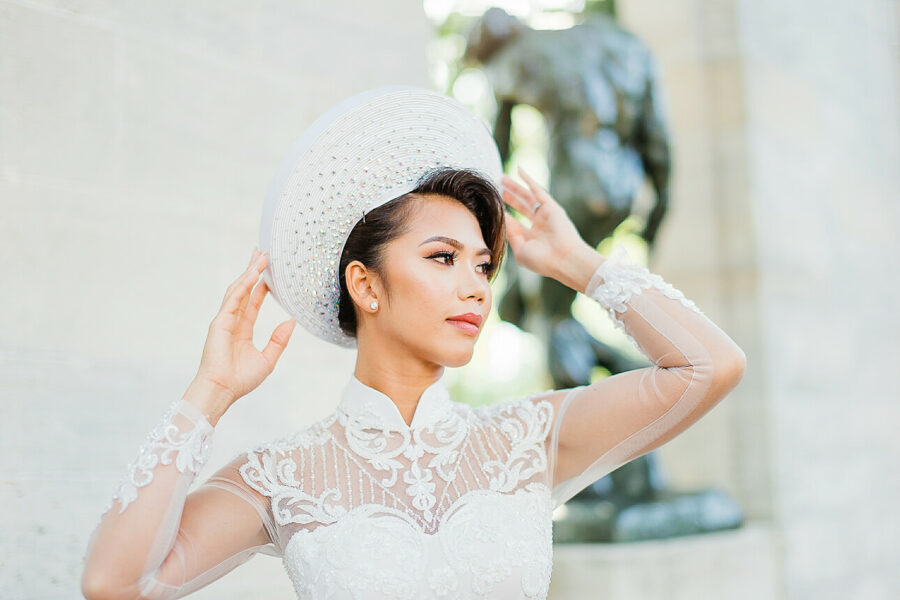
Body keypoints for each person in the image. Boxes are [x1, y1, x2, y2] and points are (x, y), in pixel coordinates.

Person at [80, 86, 746, 600]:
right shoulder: (283, 477)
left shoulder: (529, 439)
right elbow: (117, 583)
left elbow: (709, 365)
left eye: (483, 265)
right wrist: (211, 392)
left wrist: (580, 264)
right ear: (366, 286)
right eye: (442, 257)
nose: (477, 287)